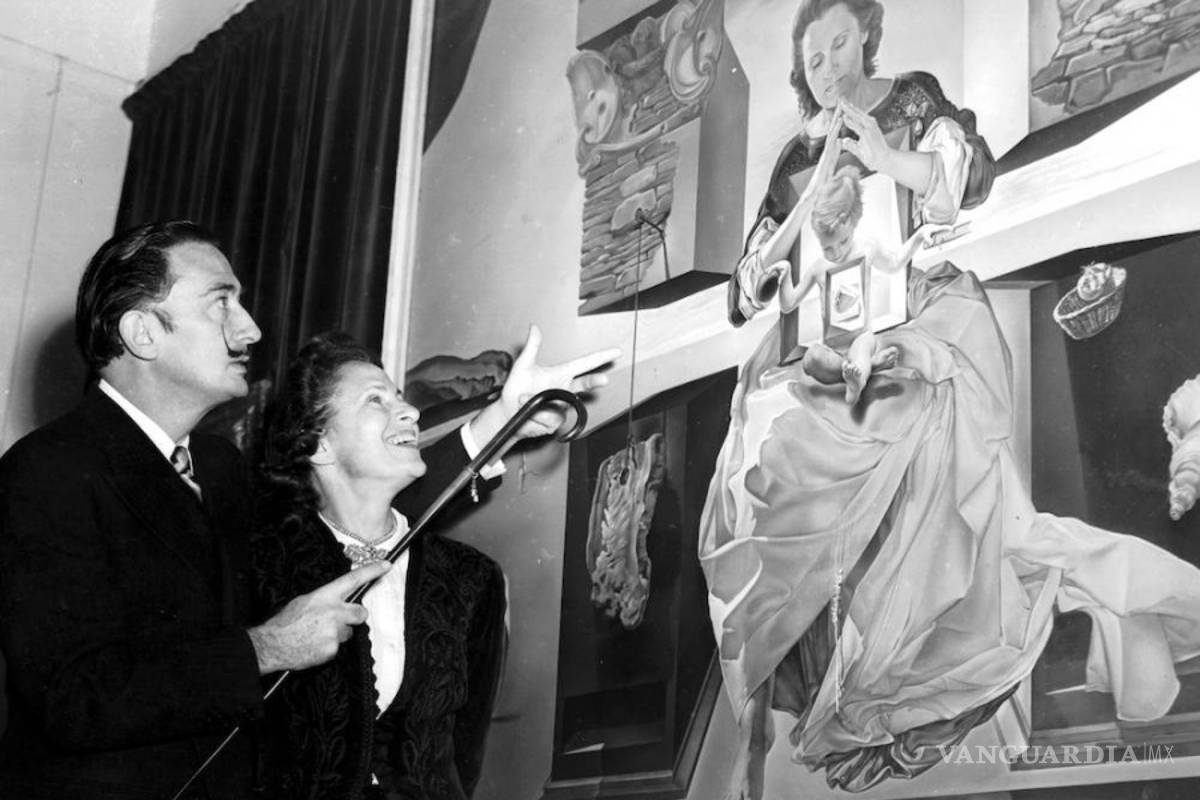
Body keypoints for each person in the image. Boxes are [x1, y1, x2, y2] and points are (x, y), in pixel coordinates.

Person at [702, 2, 1200, 798]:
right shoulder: (796, 152)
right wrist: (797, 216)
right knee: (760, 453)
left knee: (903, 428)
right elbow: (751, 285)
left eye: (840, 43)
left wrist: (882, 157)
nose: (829, 65)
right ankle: (791, 693)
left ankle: (898, 655)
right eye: (814, 56)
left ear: (866, 39)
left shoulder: (910, 99)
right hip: (827, 335)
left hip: (914, 315)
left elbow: (963, 181)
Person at [0, 221, 393, 799]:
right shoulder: (47, 469)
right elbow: (74, 696)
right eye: (220, 302)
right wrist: (266, 649)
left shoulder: (218, 465)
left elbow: (337, 506)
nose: (251, 329)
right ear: (142, 332)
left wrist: (489, 432)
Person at [251, 329, 617, 799]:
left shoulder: (471, 578)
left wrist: (505, 418)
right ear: (319, 444)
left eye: (400, 396)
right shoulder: (262, 568)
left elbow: (463, 756)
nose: (410, 411)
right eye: (376, 400)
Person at [775, 164, 946, 403]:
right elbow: (788, 304)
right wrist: (784, 275)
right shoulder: (818, 268)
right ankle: (863, 369)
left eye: (843, 242)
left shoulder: (866, 249)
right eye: (827, 248)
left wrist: (919, 235)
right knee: (812, 359)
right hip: (832, 348)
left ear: (852, 223)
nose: (837, 253)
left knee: (862, 350)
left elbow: (895, 263)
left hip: (860, 337)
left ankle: (856, 383)